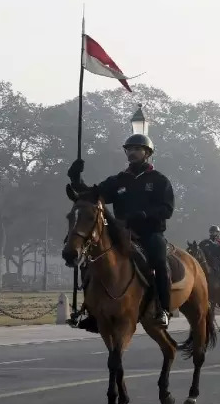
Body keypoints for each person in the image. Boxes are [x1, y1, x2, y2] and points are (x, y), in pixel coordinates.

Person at [67, 132, 176, 328]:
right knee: (92, 260)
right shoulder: (118, 180)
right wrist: (75, 178)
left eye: (136, 149)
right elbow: (91, 195)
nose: (132, 153)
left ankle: (163, 310)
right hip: (121, 232)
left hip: (150, 233)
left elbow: (167, 209)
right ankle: (91, 310)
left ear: (147, 153)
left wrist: (144, 214)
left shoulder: (159, 180)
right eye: (129, 149)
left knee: (159, 263)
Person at [198, 225, 220, 295]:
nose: (213, 233)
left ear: (218, 233)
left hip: (219, 261)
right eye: (212, 232)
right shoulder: (204, 242)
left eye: (215, 232)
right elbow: (199, 251)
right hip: (207, 261)